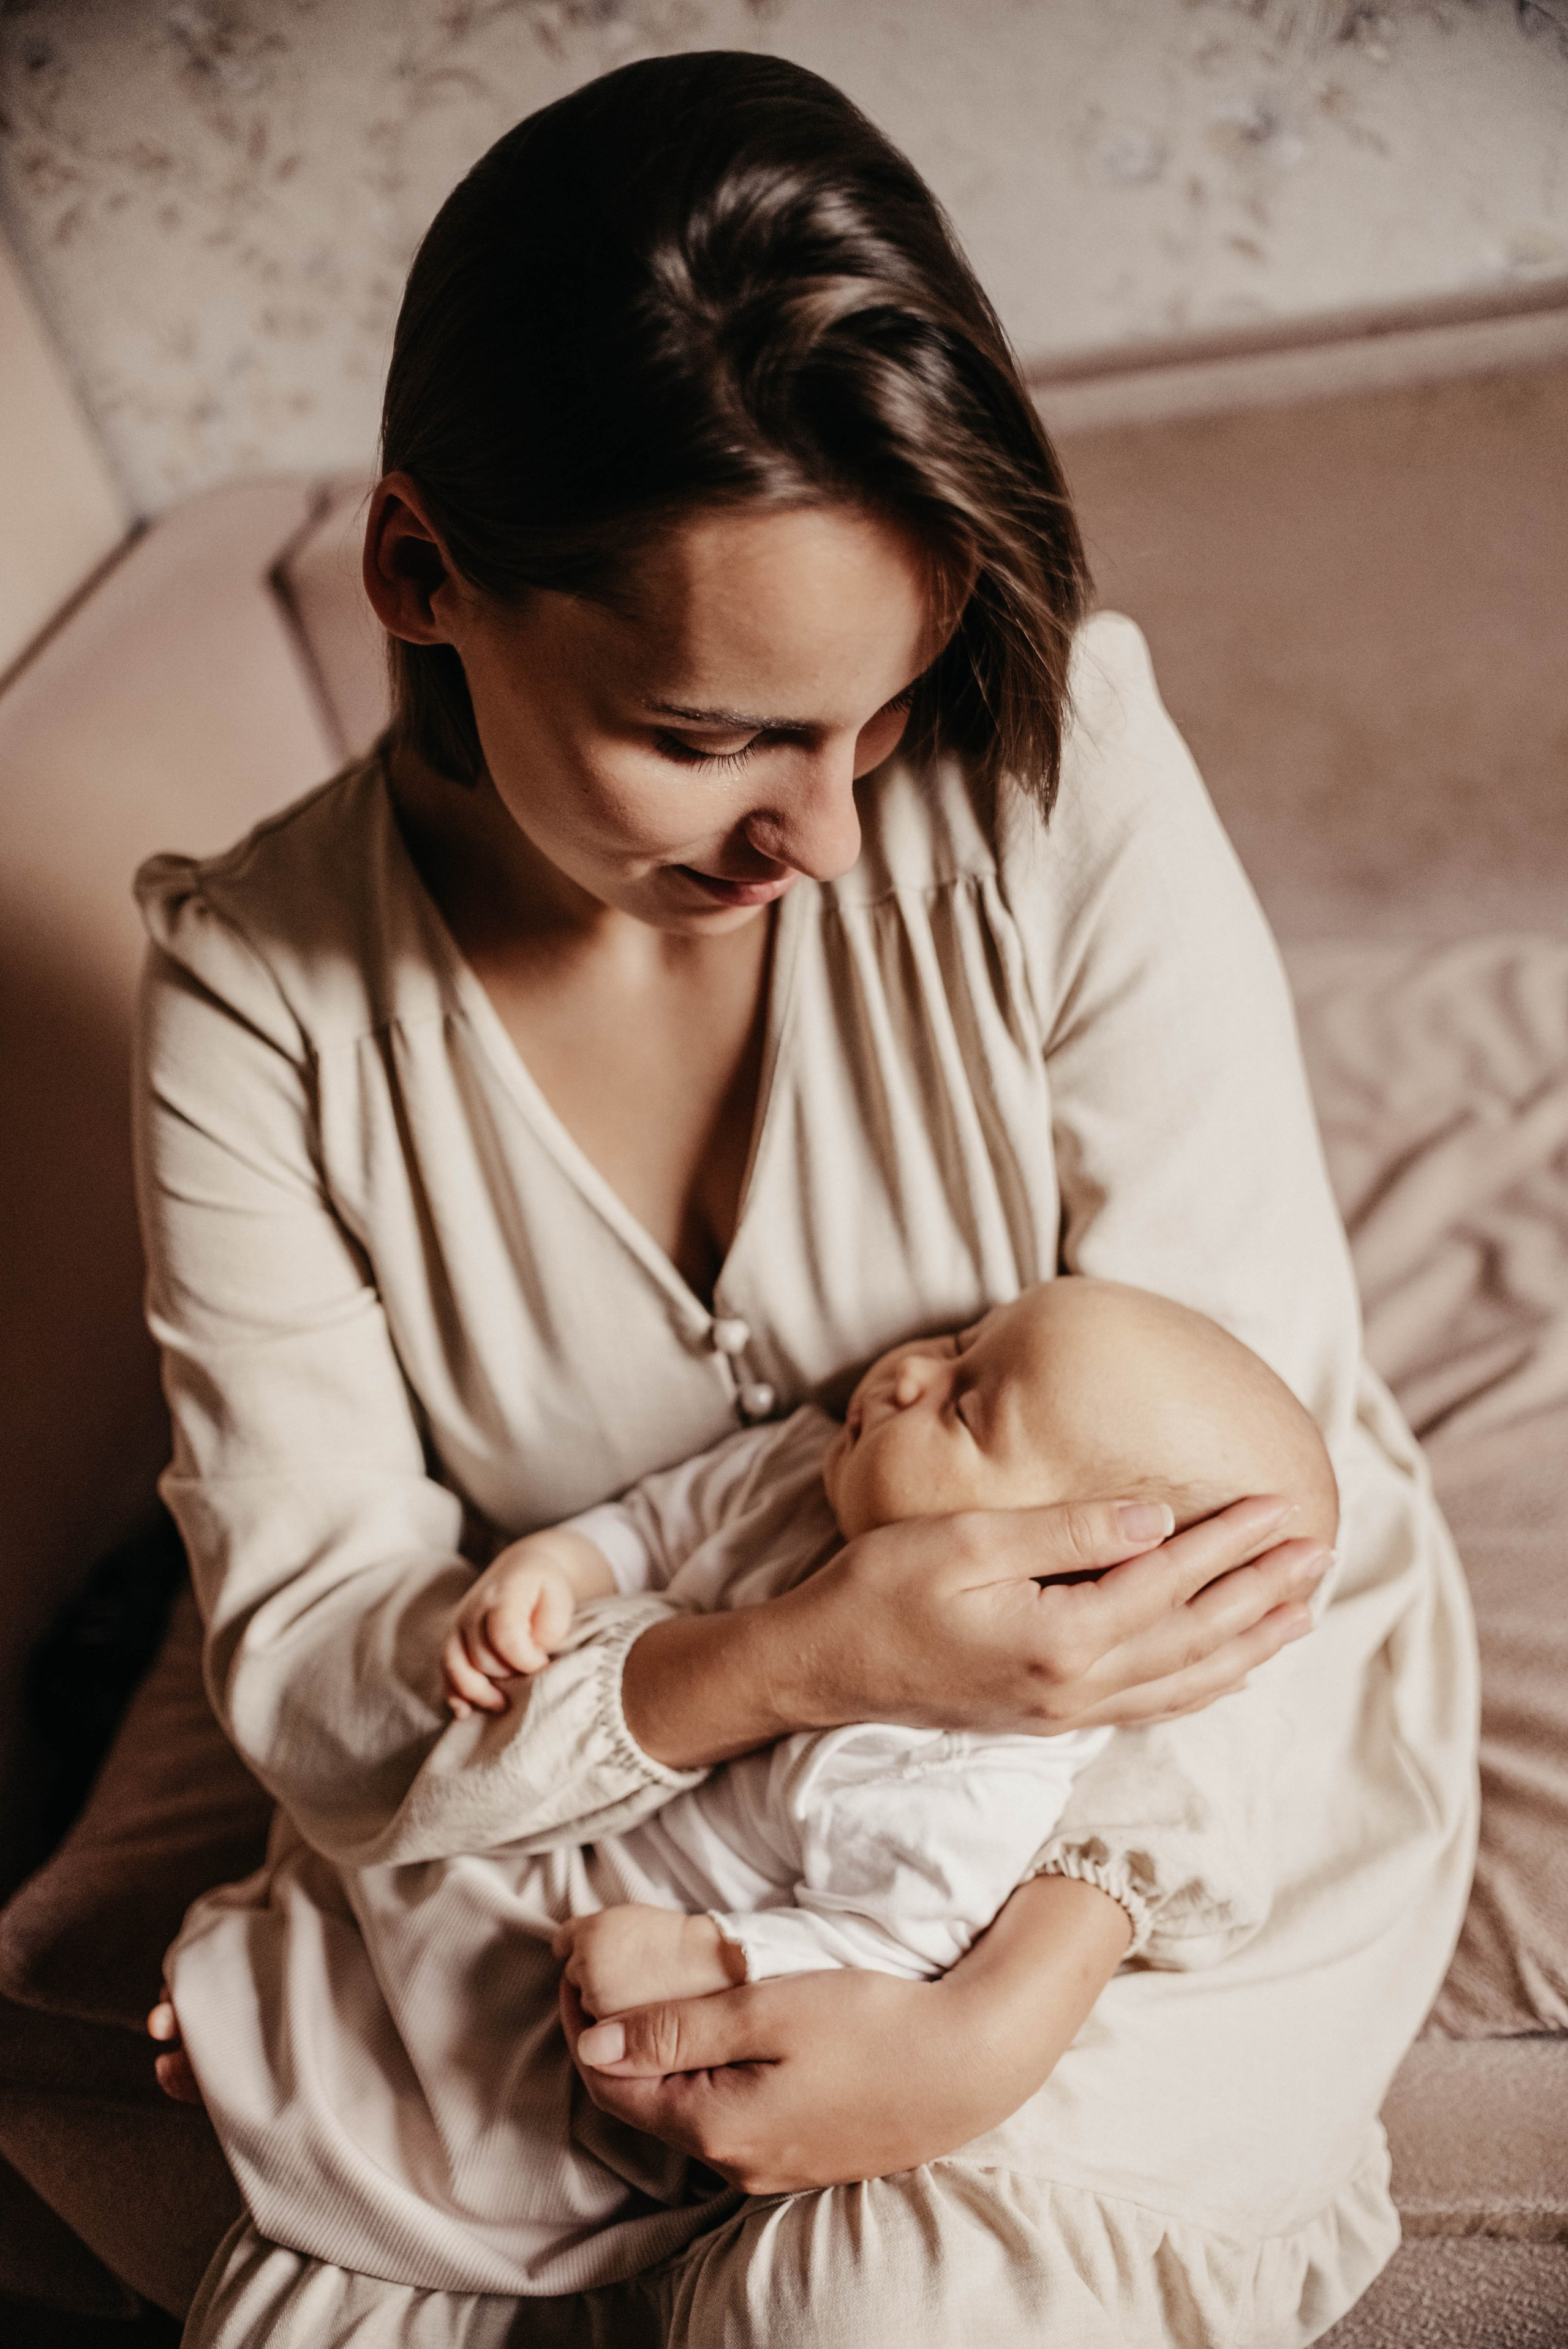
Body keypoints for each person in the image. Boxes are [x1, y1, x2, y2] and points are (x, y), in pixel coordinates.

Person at [135, 49, 1476, 2349]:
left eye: (879, 713)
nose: (830, 835)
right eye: (713, 734)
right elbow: (330, 1682)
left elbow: (1256, 1530)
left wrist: (996, 2016)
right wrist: (793, 1660)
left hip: (1139, 1815)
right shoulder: (257, 1001)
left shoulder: (1060, 768)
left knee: (876, 2295)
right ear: (421, 572)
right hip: (610, 1829)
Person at [159, 1276, 1343, 2294]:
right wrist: (557, 1567)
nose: (907, 1373)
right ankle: (260, 1982)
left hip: (625, 1912)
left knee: (499, 2071)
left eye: (964, 1404)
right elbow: (655, 1521)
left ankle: (276, 2066)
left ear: (1074, 1580)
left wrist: (720, 1958)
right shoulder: (799, 1469)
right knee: (390, 1834)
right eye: (957, 1341)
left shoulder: (974, 1771)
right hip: (562, 1790)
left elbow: (883, 1951)